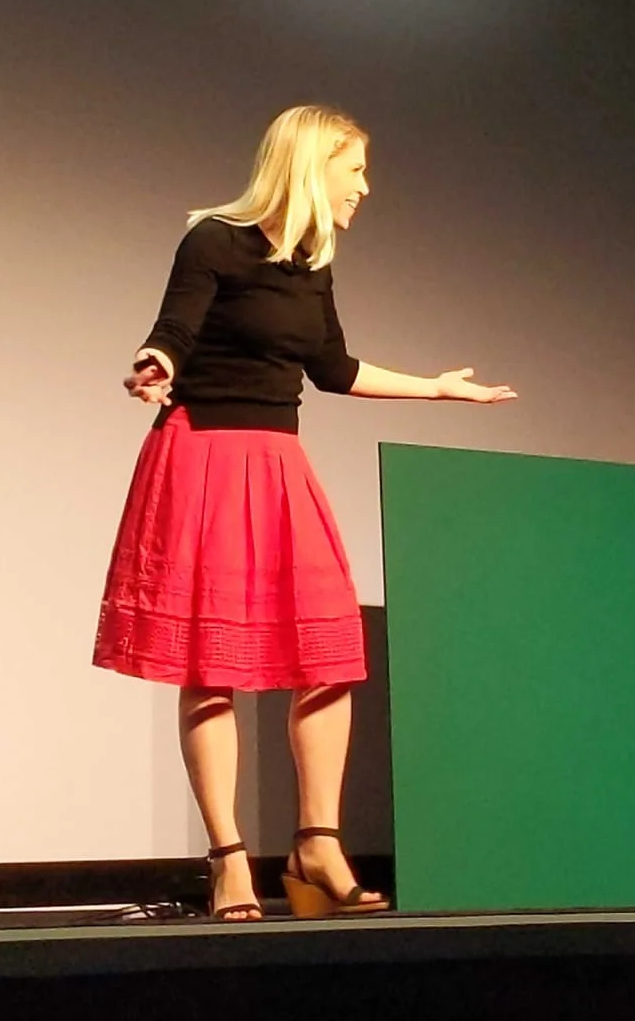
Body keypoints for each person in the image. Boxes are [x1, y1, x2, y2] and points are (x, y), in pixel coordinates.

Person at [92, 105, 515, 920]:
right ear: (313, 167)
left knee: (327, 654)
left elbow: (332, 368)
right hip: (205, 456)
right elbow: (175, 328)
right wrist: (156, 363)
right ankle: (228, 861)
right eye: (354, 169)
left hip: (279, 463)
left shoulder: (311, 264)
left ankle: (317, 843)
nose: (365, 187)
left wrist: (437, 389)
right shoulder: (213, 240)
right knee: (211, 665)